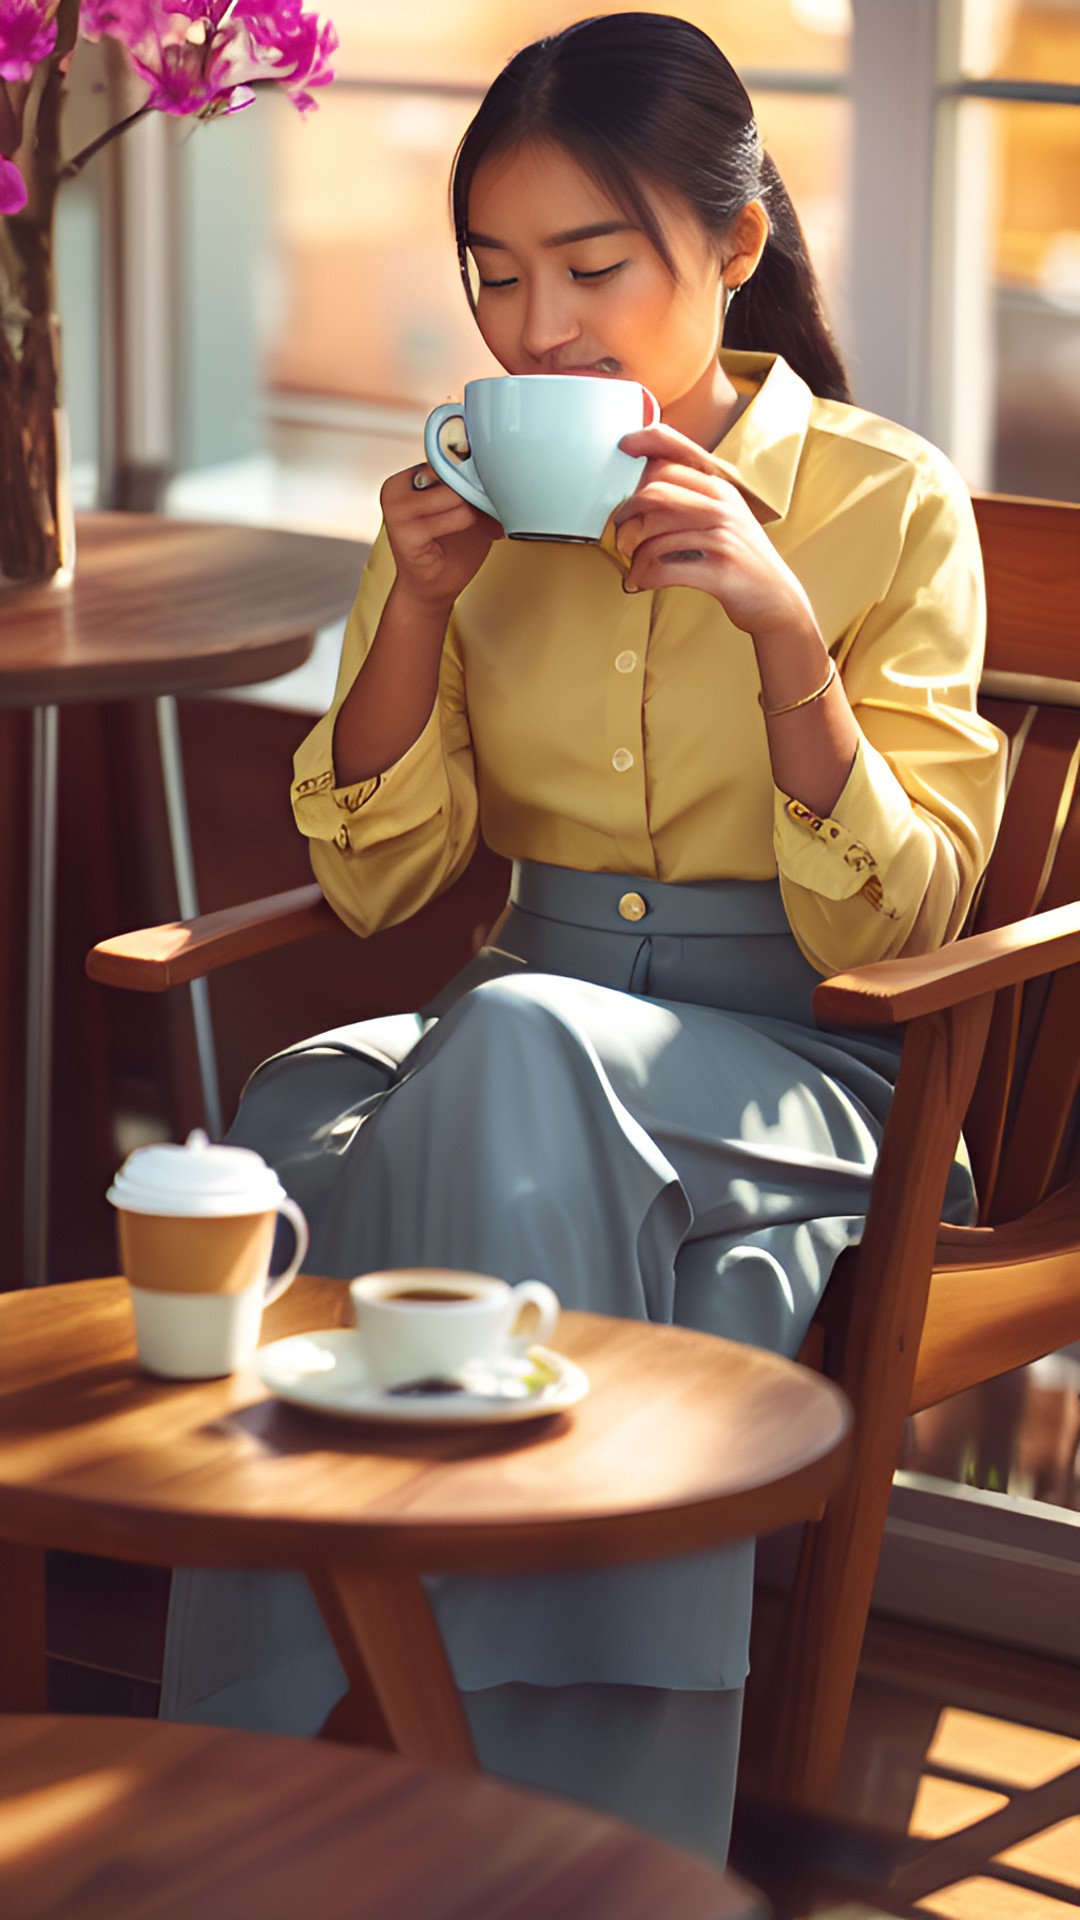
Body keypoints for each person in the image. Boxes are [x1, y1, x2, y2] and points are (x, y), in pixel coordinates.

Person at [160, 12, 1006, 1864]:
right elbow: (381, 894)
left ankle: (499, 1816)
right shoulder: (458, 498)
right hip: (518, 1038)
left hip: (808, 1074)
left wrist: (788, 642)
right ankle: (305, 1805)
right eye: (496, 275)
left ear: (737, 247)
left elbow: (908, 920)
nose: (538, 327)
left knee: (514, 1048)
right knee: (304, 1127)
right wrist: (409, 617)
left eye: (593, 267)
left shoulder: (883, 504)